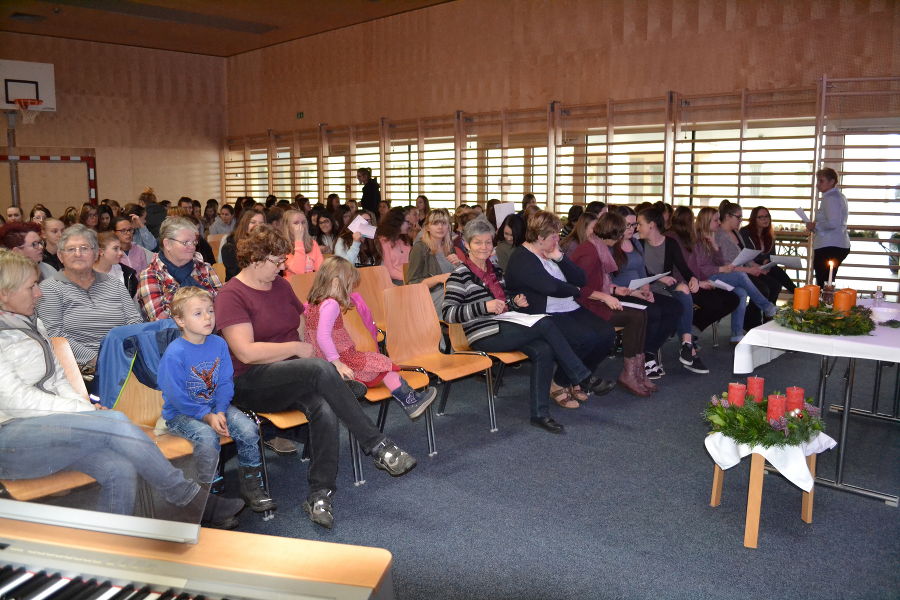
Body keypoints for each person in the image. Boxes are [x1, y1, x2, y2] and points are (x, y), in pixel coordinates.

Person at [0, 250, 244, 526]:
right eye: (31, 287)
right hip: (11, 438)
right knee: (114, 421)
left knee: (120, 468)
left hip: (52, 428)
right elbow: (14, 399)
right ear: (4, 293)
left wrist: (84, 407)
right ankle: (187, 497)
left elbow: (57, 380)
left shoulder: (33, 323)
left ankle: (111, 549)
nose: (39, 293)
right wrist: (83, 412)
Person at [215, 224, 419, 529]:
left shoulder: (280, 286)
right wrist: (298, 348)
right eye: (276, 261)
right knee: (320, 369)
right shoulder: (232, 295)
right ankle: (377, 444)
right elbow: (245, 353)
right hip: (252, 382)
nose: (282, 267)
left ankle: (319, 493)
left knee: (323, 406)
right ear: (255, 259)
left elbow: (300, 325)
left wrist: (305, 349)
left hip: (293, 373)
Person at [442, 219, 596, 432]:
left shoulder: (494, 269)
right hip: (483, 334)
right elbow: (449, 314)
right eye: (478, 243)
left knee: (544, 348)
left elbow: (504, 300)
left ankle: (540, 414)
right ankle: (583, 375)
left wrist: (514, 302)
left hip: (505, 325)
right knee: (545, 323)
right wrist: (484, 307)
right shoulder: (459, 275)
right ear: (467, 245)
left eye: (488, 243)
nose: (484, 247)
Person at [159, 287, 275, 513]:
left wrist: (220, 411)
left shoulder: (219, 344)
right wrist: (206, 416)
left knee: (249, 428)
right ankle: (210, 495)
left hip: (215, 406)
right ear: (180, 320)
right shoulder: (175, 353)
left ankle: (252, 486)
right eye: (198, 313)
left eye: (210, 311)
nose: (208, 317)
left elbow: (224, 382)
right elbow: (176, 396)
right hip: (182, 413)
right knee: (206, 436)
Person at [505, 211, 617, 404]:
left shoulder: (552, 252)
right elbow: (551, 287)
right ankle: (560, 383)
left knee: (607, 334)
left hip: (568, 307)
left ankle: (572, 380)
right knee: (585, 338)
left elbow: (581, 278)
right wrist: (576, 289)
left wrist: (559, 258)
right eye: (554, 236)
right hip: (544, 313)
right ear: (540, 238)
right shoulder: (522, 258)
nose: (558, 239)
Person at [305, 256, 437, 417]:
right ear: (335, 282)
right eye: (348, 285)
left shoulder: (313, 303)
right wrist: (338, 363)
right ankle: (411, 401)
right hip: (341, 358)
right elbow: (323, 336)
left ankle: (344, 383)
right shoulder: (331, 304)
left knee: (376, 362)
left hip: (324, 361)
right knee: (382, 363)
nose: (350, 291)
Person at [570, 213, 654, 396]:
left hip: (596, 300)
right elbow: (578, 288)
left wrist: (616, 290)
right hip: (585, 306)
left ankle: (636, 370)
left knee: (641, 313)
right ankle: (630, 374)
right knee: (635, 316)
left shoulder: (597, 247)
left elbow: (600, 282)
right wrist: (606, 296)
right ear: (614, 235)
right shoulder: (590, 252)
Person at [38, 225, 144, 368]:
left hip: (123, 359)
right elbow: (55, 335)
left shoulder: (114, 284)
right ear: (60, 256)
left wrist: (124, 353)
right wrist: (97, 360)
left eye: (84, 248)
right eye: (70, 249)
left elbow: (134, 320)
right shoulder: (50, 288)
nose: (78, 254)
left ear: (96, 254)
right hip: (78, 368)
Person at [630, 206, 711, 376]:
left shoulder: (670, 243)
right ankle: (688, 349)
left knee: (684, 292)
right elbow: (640, 271)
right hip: (646, 286)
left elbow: (683, 267)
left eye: (640, 224)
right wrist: (659, 278)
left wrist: (693, 279)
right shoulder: (637, 243)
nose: (637, 227)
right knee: (678, 298)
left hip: (664, 285)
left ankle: (686, 344)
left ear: (651, 225)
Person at [692, 207, 776, 343]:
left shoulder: (712, 237)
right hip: (705, 278)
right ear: (707, 222)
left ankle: (736, 334)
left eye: (718, 219)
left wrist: (715, 247)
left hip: (716, 274)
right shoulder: (698, 241)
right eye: (715, 220)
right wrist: (721, 269)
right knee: (741, 277)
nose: (718, 223)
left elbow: (718, 261)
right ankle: (767, 307)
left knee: (742, 292)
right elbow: (700, 269)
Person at [665, 206, 742, 347]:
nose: (692, 224)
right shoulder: (675, 239)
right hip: (687, 283)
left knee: (734, 298)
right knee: (721, 298)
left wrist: (714, 245)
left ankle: (692, 327)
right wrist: (700, 282)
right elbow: (682, 269)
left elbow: (716, 263)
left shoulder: (694, 238)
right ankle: (688, 331)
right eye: (690, 220)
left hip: (699, 280)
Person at [137, 216, 222, 321]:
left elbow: (222, 307)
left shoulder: (205, 269)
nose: (192, 247)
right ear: (167, 244)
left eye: (194, 242)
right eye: (186, 242)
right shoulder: (151, 276)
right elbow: (160, 321)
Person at [717, 200, 778, 330]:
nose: (740, 220)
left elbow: (744, 256)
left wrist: (756, 266)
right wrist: (750, 270)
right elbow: (726, 265)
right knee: (763, 288)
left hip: (743, 270)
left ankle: (763, 318)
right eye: (738, 217)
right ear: (728, 216)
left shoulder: (735, 232)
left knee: (774, 284)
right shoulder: (719, 235)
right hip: (731, 272)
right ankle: (753, 323)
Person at [406, 208, 461, 313]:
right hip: (428, 297)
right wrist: (438, 278)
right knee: (461, 298)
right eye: (435, 223)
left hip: (449, 293)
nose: (440, 227)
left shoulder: (449, 247)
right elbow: (412, 284)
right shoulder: (420, 248)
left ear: (448, 227)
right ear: (427, 227)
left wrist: (459, 264)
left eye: (444, 223)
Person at [807, 168, 850, 287]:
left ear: (832, 182)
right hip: (836, 244)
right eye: (818, 181)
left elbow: (833, 223)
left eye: (821, 181)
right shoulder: (838, 196)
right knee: (827, 281)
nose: (817, 184)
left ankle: (824, 304)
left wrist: (815, 225)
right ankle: (826, 303)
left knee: (823, 282)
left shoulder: (830, 198)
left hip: (829, 245)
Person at [740, 205, 796, 294]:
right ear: (754, 219)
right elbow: (746, 256)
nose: (765, 219)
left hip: (764, 267)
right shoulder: (745, 232)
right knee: (774, 284)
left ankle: (796, 292)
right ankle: (796, 292)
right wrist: (763, 264)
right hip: (749, 268)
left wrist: (767, 262)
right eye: (760, 217)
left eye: (767, 216)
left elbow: (771, 256)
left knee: (776, 275)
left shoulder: (769, 235)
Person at [221, 209, 265, 281]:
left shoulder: (266, 245)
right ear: (244, 224)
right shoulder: (229, 247)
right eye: (253, 222)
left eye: (261, 223)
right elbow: (238, 274)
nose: (257, 226)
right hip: (239, 287)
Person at [95, 231, 139, 298]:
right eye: (115, 249)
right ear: (101, 252)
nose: (121, 253)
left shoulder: (128, 274)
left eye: (120, 249)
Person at [376, 207, 412, 285]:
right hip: (394, 281)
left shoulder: (404, 239)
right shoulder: (383, 241)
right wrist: (409, 279)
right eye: (407, 222)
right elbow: (389, 270)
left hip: (407, 278)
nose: (409, 225)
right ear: (397, 222)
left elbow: (411, 263)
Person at [282, 209, 323, 276]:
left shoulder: (312, 243)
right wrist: (298, 240)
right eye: (296, 223)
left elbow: (321, 269)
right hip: (292, 284)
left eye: (303, 222)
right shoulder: (283, 246)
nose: (301, 226)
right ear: (288, 227)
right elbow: (299, 271)